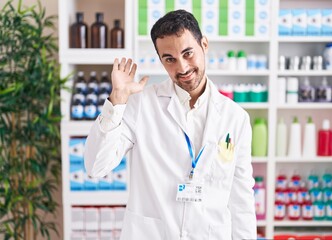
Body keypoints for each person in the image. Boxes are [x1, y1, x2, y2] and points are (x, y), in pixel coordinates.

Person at [84, 9, 256, 240]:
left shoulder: (235, 117)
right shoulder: (141, 105)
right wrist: (117, 100)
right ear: (161, 60)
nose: (182, 68)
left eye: (188, 53)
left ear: (204, 45)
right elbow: (96, 167)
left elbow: (241, 198)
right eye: (170, 59)